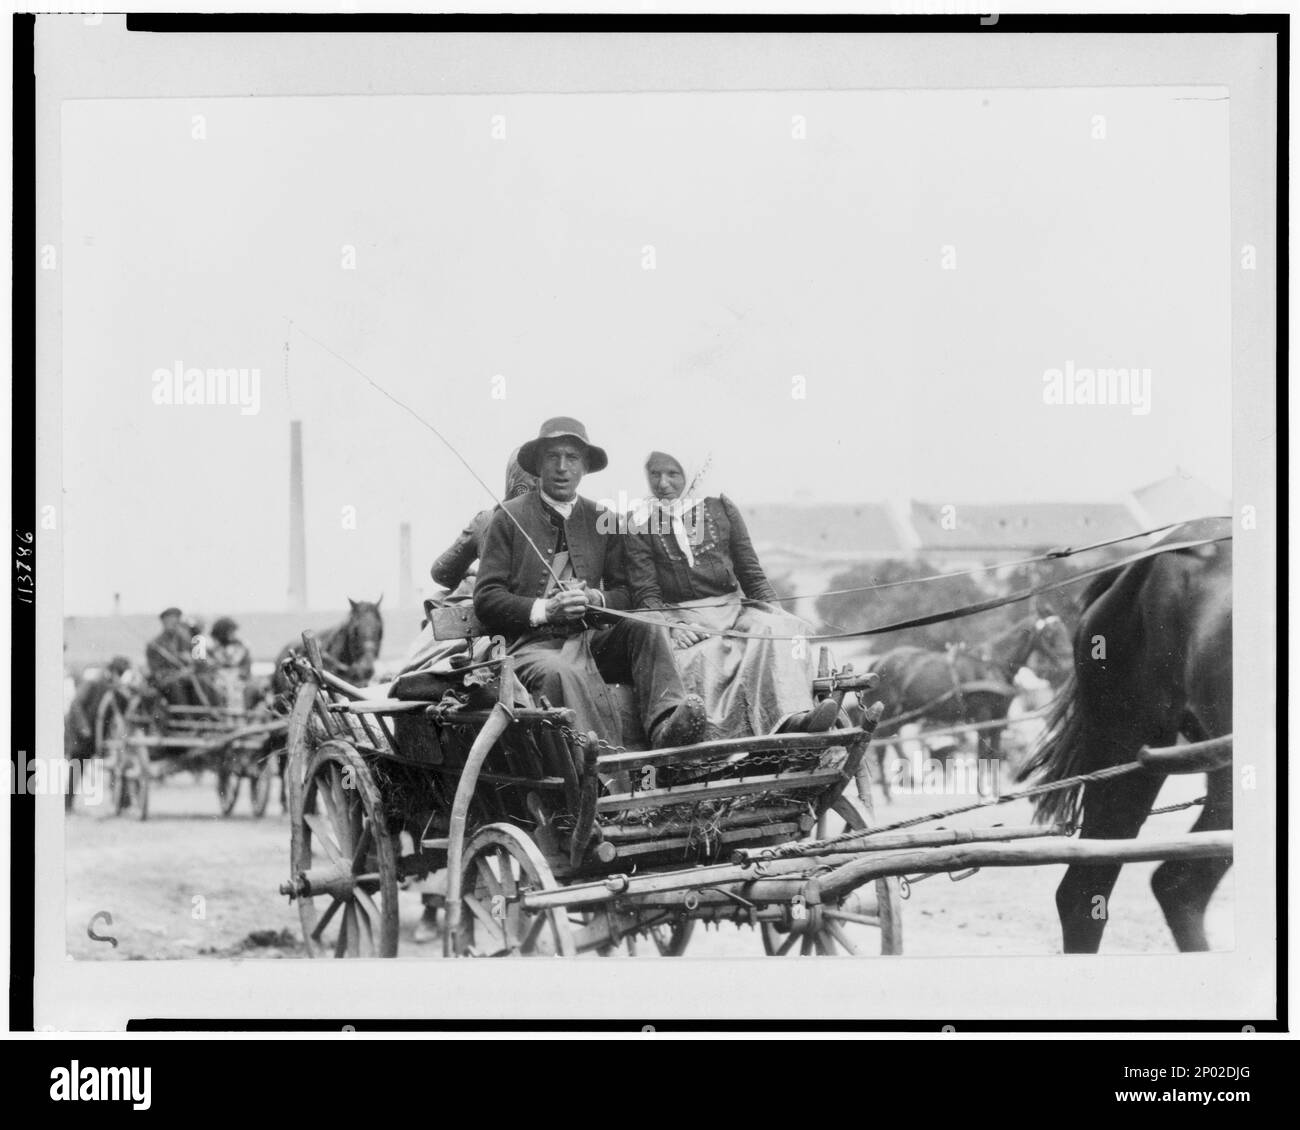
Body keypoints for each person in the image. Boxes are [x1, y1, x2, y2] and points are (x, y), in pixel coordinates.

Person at [473, 417, 704, 749]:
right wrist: (546, 609)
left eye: (573, 458)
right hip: (529, 647)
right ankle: (598, 771)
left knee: (648, 624)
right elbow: (486, 599)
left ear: (585, 467)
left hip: (591, 640)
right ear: (538, 464)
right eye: (553, 457)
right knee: (560, 672)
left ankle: (667, 727)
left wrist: (596, 598)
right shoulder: (508, 518)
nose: (562, 468)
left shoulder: (601, 519)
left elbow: (626, 593)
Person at [624, 451, 838, 740]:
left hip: (734, 611)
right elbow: (645, 591)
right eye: (655, 474)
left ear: (693, 473)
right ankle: (712, 747)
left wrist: (777, 612)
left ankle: (793, 719)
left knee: (782, 632)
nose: (662, 483)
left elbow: (751, 574)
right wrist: (673, 627)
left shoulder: (722, 509)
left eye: (672, 474)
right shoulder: (638, 521)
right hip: (686, 622)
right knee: (703, 657)